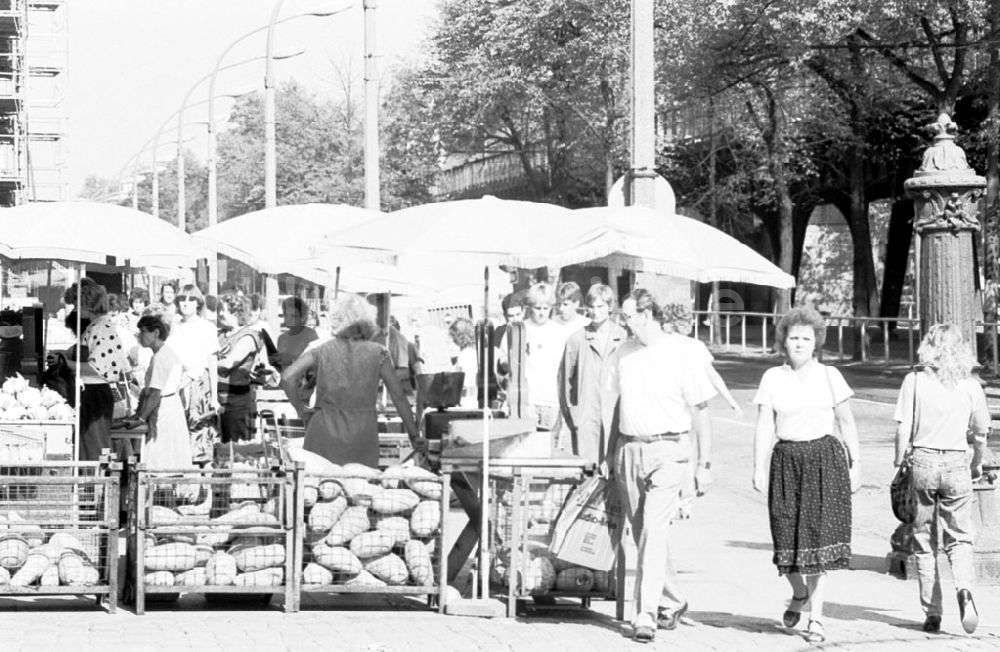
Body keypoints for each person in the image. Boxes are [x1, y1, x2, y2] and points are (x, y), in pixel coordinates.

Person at [605, 290, 716, 643]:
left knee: (653, 529)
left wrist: (705, 464)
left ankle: (646, 613)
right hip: (629, 451)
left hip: (670, 451)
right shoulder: (623, 354)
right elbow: (614, 408)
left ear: (648, 313)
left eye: (628, 316)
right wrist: (608, 455)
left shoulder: (681, 354)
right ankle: (675, 598)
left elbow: (701, 412)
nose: (623, 323)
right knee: (645, 535)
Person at [752, 306, 861, 644]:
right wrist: (759, 466)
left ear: (816, 343)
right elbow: (764, 425)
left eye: (806, 338)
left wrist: (857, 463)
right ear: (784, 341)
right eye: (793, 337)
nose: (798, 343)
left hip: (824, 462)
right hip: (786, 462)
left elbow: (846, 422)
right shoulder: (773, 378)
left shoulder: (830, 376)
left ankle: (817, 617)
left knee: (818, 543)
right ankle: (799, 592)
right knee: (785, 540)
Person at [894, 324, 988, 634]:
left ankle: (932, 612)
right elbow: (981, 433)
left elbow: (903, 428)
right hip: (957, 461)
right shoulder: (971, 386)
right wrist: (975, 464)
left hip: (922, 460)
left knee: (923, 537)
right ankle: (964, 590)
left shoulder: (915, 381)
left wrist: (898, 462)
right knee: (959, 537)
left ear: (927, 347)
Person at [279, 293, 424, 467]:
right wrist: (414, 435)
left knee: (319, 487)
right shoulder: (379, 353)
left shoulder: (322, 350)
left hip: (323, 427)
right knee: (359, 487)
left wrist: (301, 409)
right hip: (362, 432)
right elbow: (399, 397)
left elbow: (288, 377)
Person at [663, 303, 742, 519]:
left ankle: (684, 500)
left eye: (689, 320)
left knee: (688, 451)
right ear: (672, 323)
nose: (688, 324)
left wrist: (730, 399)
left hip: (694, 403)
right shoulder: (665, 344)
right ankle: (674, 500)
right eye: (683, 321)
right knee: (676, 452)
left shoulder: (696, 346)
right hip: (675, 402)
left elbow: (712, 374)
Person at [63, 278, 138, 461]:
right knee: (87, 446)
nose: (75, 309)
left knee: (93, 448)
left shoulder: (102, 328)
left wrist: (68, 364)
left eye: (76, 304)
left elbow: (97, 369)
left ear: (86, 304)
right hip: (91, 392)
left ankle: (95, 487)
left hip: (96, 393)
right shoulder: (96, 327)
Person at [558, 284, 626, 465]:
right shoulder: (576, 339)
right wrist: (574, 415)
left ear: (610, 307)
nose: (595, 312)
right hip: (587, 419)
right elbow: (564, 383)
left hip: (616, 417)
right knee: (588, 475)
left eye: (601, 306)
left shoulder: (623, 338)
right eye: (592, 307)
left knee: (615, 476)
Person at [168, 284, 220, 463]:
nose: (186, 303)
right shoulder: (173, 328)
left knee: (199, 437)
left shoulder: (207, 328)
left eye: (191, 299)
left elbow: (212, 363)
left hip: (198, 385)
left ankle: (201, 485)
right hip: (176, 384)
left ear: (198, 303)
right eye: (182, 299)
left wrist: (214, 396)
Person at [134, 314, 192, 469]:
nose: (140, 336)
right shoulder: (163, 354)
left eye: (144, 331)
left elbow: (155, 394)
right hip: (169, 408)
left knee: (161, 458)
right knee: (168, 457)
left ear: (156, 333)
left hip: (164, 410)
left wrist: (141, 418)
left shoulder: (162, 357)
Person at [521, 282, 570, 431]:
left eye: (546, 308)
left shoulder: (559, 332)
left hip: (552, 399)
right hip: (528, 399)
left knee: (549, 447)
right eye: (537, 308)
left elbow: (565, 368)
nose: (542, 313)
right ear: (530, 307)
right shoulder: (520, 329)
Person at [216, 293, 264, 443]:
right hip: (215, 397)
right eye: (219, 310)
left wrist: (206, 364)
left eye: (223, 310)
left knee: (234, 444)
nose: (220, 313)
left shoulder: (248, 337)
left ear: (236, 312)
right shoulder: (220, 334)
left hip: (234, 400)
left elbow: (229, 363)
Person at [271, 296, 318, 371]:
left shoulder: (310, 335)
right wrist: (275, 363)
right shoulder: (282, 338)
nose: (288, 319)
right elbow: (281, 370)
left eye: (293, 316)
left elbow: (315, 366)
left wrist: (292, 360)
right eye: (286, 314)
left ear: (302, 317)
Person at [449, 317, 478, 408]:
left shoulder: (465, 356)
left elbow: (466, 383)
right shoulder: (474, 352)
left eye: (453, 335)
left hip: (468, 402)